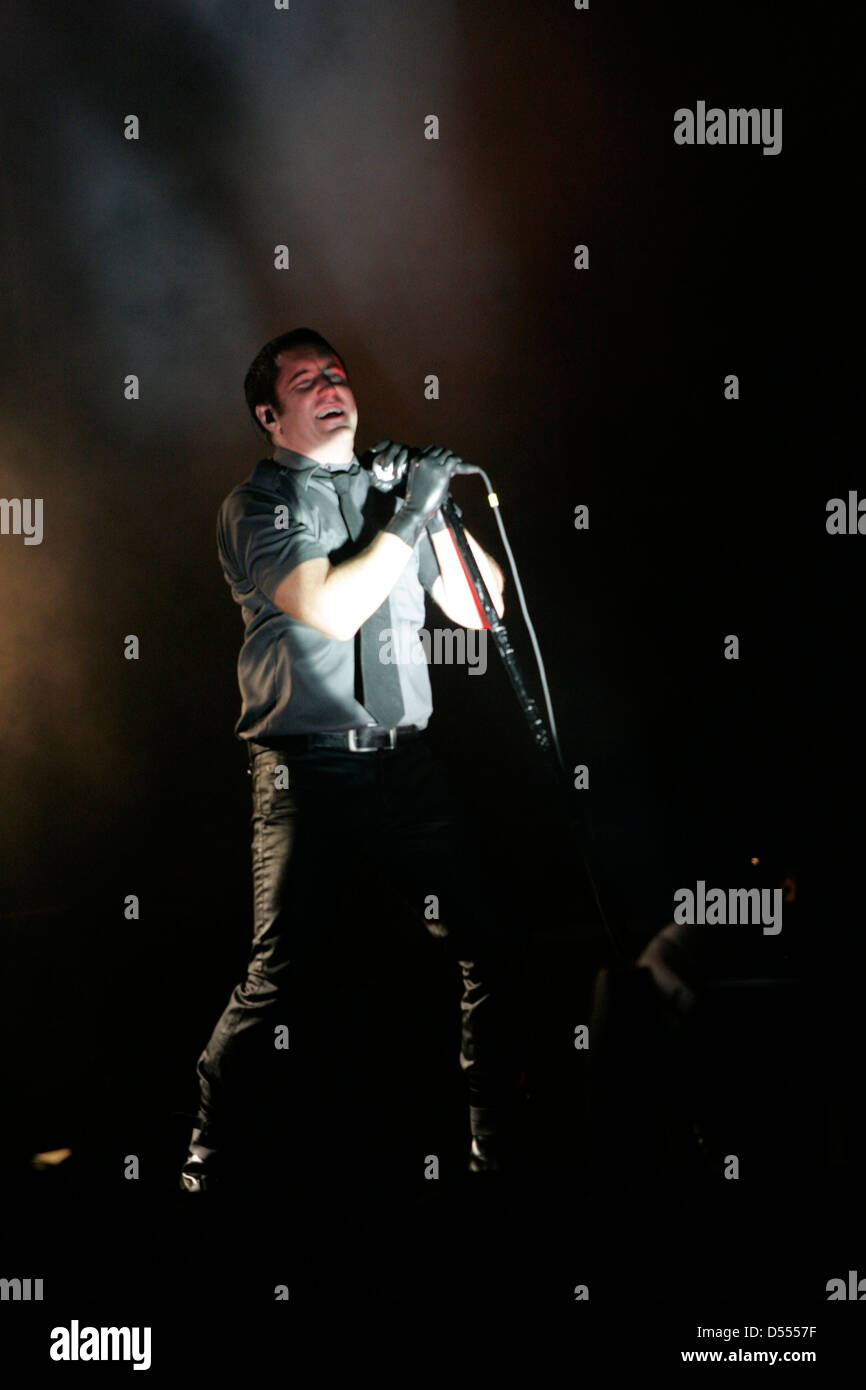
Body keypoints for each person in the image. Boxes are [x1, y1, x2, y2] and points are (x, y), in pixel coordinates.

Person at [180, 327, 520, 1193]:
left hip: (406, 765)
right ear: (270, 413)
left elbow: (481, 612)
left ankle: (499, 1156)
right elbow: (328, 609)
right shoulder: (254, 506)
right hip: (307, 775)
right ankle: (208, 1163)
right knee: (278, 981)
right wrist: (405, 515)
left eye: (338, 373)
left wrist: (431, 506)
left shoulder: (392, 493)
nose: (332, 386)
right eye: (307, 381)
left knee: (493, 946)